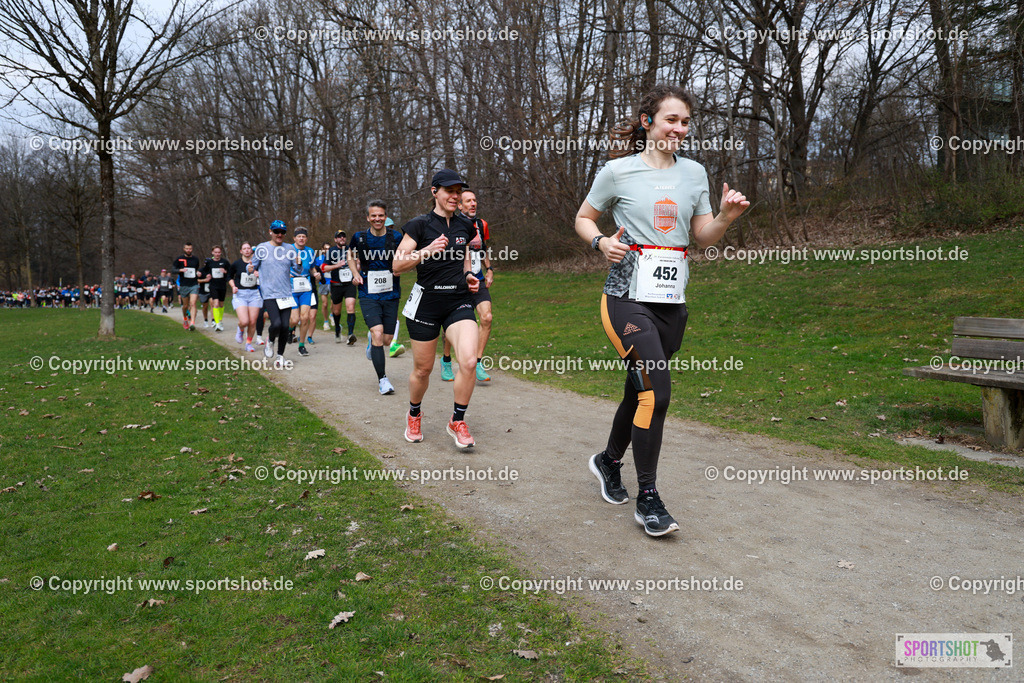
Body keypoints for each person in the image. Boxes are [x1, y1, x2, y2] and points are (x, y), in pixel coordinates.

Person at [575, 84, 749, 537]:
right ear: (648, 121)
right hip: (625, 297)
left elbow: (701, 236)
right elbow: (583, 217)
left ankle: (607, 461)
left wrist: (727, 217)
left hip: (672, 304)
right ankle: (648, 497)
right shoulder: (617, 171)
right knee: (658, 394)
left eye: (686, 122)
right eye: (672, 119)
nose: (680, 129)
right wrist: (601, 242)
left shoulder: (694, 173)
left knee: (641, 390)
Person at [393, 169, 480, 448]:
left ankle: (457, 420)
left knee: (467, 361)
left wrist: (468, 276)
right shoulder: (418, 225)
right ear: (435, 192)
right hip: (426, 305)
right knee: (423, 370)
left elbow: (464, 259)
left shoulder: (465, 225)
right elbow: (397, 265)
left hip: (458, 301)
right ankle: (414, 413)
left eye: (458, 192)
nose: (455, 196)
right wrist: (427, 251)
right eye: (449, 191)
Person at [348, 201, 402, 395]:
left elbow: (405, 257)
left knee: (387, 339)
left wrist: (400, 268)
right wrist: (355, 273)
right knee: (378, 332)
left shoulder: (396, 237)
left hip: (391, 293)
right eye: (374, 216)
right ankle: (383, 380)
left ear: (385, 217)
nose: (377, 219)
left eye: (381, 215)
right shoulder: (359, 238)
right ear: (368, 218)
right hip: (368, 292)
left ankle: (372, 340)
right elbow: (350, 254)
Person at [440, 189, 493, 382]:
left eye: (475, 200)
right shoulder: (451, 225)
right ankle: (446, 360)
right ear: (459, 205)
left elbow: (484, 249)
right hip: (456, 282)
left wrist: (490, 269)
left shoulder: (481, 224)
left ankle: (478, 362)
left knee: (486, 318)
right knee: (450, 326)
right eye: (468, 201)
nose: (473, 204)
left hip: (477, 279)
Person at [250, 220, 296, 368]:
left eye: (282, 232)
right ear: (270, 231)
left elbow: (298, 270)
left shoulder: (290, 248)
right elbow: (251, 266)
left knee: (285, 326)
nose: (280, 235)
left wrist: (299, 263)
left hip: (286, 293)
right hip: (269, 293)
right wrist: (249, 268)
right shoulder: (262, 248)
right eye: (276, 232)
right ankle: (270, 341)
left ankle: (280, 356)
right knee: (275, 323)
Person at [322, 230, 358, 344]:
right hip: (336, 284)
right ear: (335, 239)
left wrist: (357, 271)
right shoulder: (331, 251)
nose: (342, 238)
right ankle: (337, 329)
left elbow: (357, 263)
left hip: (350, 284)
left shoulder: (351, 250)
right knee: (336, 311)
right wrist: (337, 265)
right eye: (339, 237)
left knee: (351, 307)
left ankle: (350, 334)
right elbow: (324, 268)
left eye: (344, 236)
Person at [289, 227, 321, 356]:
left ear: (306, 239)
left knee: (305, 317)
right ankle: (290, 330)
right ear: (294, 238)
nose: (301, 238)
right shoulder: (288, 250)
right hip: (291, 288)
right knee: (294, 319)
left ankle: (301, 345)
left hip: (305, 288)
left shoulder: (310, 251)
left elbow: (312, 268)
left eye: (304, 236)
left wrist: (316, 274)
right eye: (299, 236)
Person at [230, 242, 262, 352]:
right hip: (240, 294)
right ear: (241, 251)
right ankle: (240, 329)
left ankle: (248, 343)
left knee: (253, 322)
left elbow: (266, 274)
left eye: (249, 248)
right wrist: (233, 286)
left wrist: (259, 274)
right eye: (244, 248)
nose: (247, 250)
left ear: (251, 250)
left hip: (254, 294)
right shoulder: (236, 264)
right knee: (244, 321)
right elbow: (229, 277)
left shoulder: (257, 263)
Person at [200, 246, 231, 332]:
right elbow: (204, 270)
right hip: (213, 286)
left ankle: (220, 321)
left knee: (221, 304)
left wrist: (225, 272)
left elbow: (231, 272)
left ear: (220, 253)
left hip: (222, 286)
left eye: (218, 252)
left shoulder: (224, 262)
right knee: (215, 303)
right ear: (212, 253)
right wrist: (206, 275)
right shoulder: (210, 262)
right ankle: (217, 323)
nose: (217, 254)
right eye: (215, 252)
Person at [172, 242, 201, 331]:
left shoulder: (196, 259)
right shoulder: (179, 259)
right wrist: (180, 270)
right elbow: (173, 270)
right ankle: (185, 319)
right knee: (185, 305)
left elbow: (196, 270)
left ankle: (192, 322)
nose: (189, 250)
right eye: (187, 249)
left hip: (194, 284)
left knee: (193, 303)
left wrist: (198, 273)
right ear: (184, 249)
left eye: (190, 249)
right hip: (184, 284)